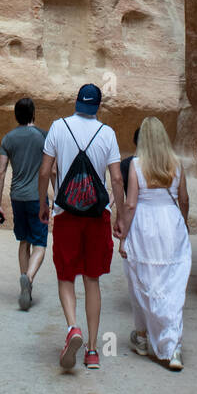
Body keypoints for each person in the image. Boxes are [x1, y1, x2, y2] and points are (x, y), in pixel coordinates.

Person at [38, 83, 125, 370]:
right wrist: (120, 216)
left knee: (66, 276)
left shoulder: (58, 127)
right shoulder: (107, 134)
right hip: (96, 216)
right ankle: (91, 350)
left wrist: (44, 204)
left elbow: (45, 171)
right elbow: (116, 180)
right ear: (98, 107)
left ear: (76, 102)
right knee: (92, 279)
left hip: (66, 213)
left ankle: (72, 327)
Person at [119, 116, 190, 371]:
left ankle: (142, 336)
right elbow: (183, 199)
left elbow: (130, 204)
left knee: (142, 279)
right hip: (170, 224)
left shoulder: (136, 165)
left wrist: (124, 235)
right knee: (173, 284)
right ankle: (174, 346)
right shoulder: (177, 165)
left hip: (144, 225)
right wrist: (181, 225)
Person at [0, 96, 48, 310]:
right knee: (41, 244)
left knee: (24, 241)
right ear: (34, 114)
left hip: (17, 196)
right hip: (37, 197)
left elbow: (0, 172)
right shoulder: (44, 137)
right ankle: (29, 277)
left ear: (16, 116)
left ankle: (24, 284)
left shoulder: (8, 139)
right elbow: (51, 169)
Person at [119, 128, 140, 196]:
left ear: (134, 141)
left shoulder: (126, 163)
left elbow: (118, 184)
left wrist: (109, 205)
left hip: (133, 204)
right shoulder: (156, 163)